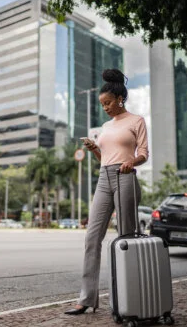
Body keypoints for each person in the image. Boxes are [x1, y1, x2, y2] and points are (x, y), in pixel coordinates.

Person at [65, 68, 149, 315]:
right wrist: (94, 149)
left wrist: (131, 162)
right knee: (92, 237)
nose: (105, 108)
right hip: (104, 177)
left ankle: (128, 297)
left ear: (119, 99)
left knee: (126, 238)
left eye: (108, 103)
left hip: (125, 178)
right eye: (102, 104)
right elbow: (105, 157)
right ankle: (86, 298)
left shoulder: (136, 121)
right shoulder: (105, 125)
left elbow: (143, 153)